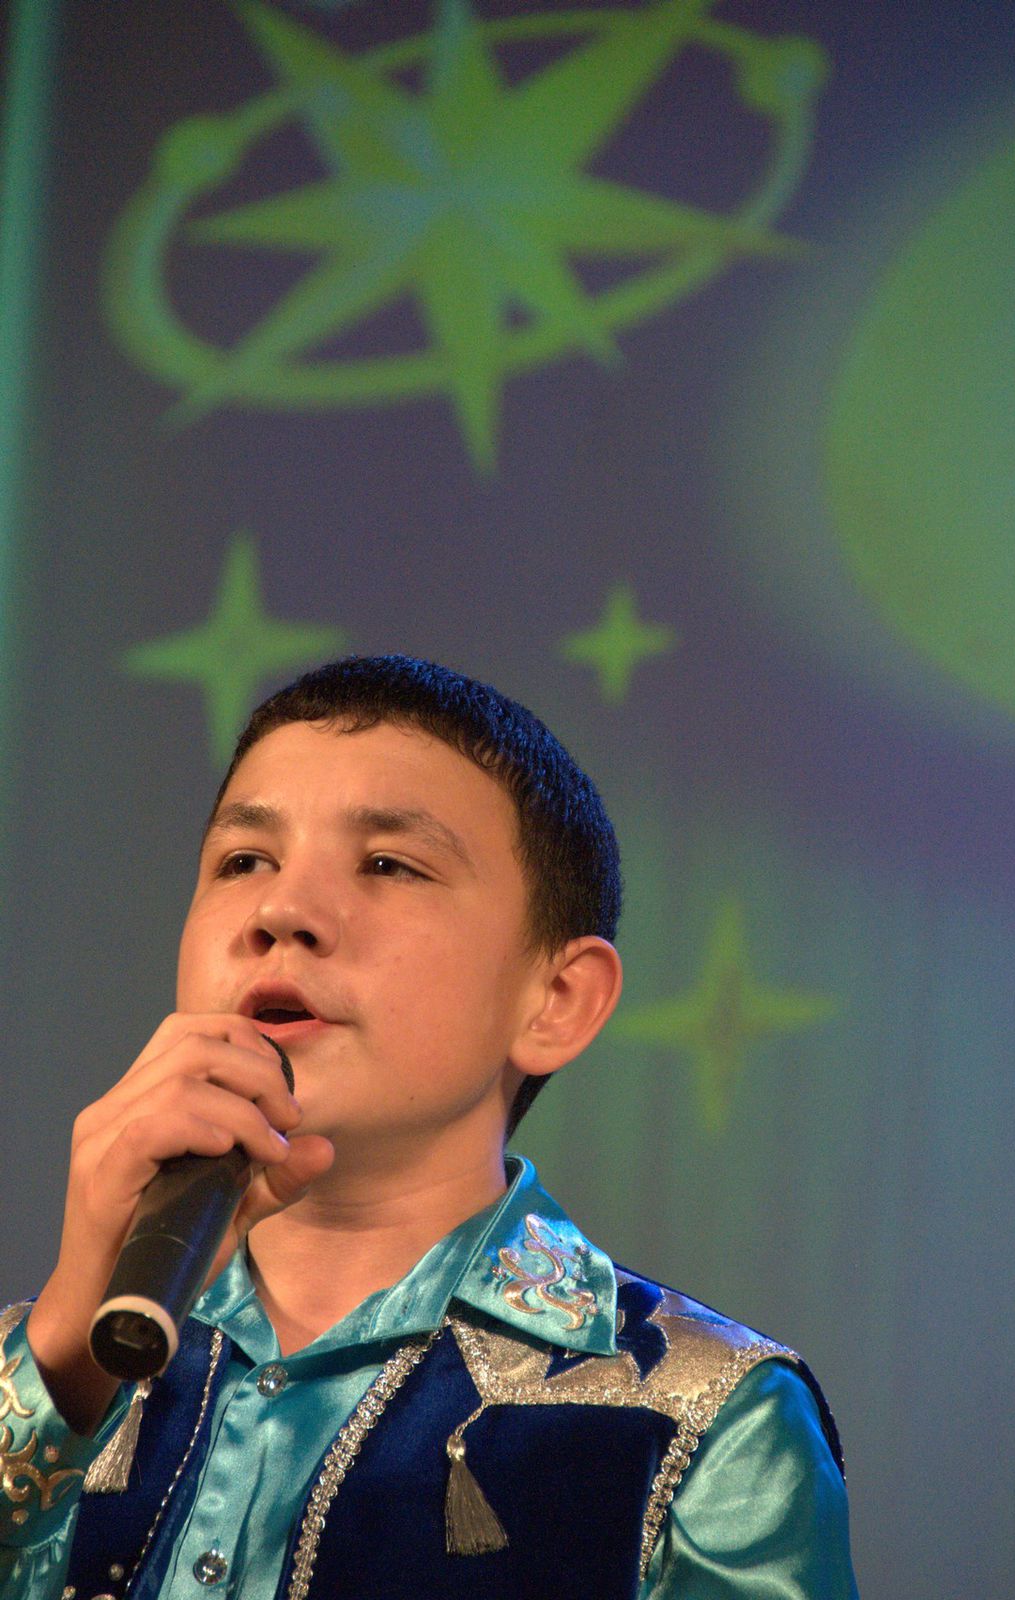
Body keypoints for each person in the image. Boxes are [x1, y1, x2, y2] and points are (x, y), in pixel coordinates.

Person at [1, 655, 858, 1598]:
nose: (281, 912)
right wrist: (63, 1353)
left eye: (387, 865)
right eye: (244, 862)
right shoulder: (38, 1362)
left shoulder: (704, 1416)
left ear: (558, 1000)